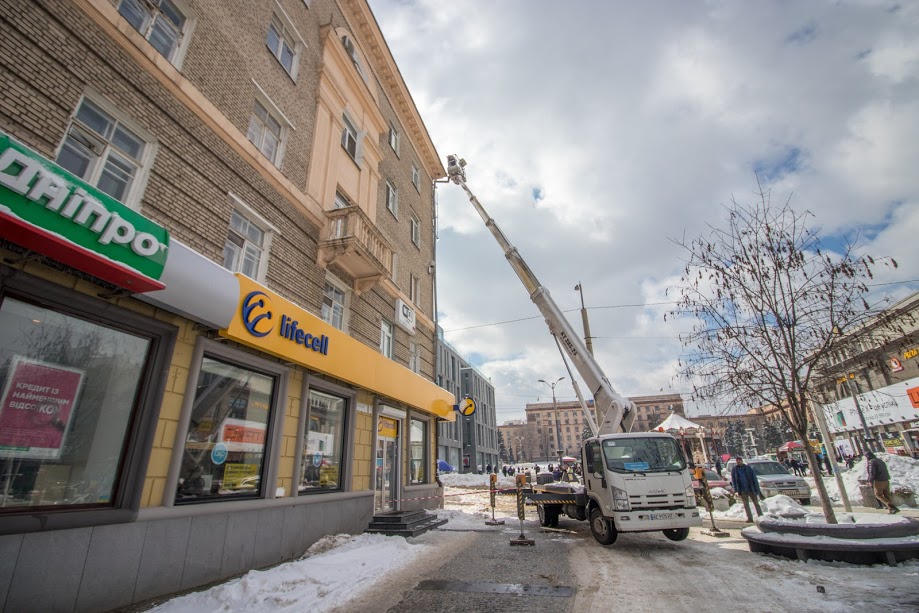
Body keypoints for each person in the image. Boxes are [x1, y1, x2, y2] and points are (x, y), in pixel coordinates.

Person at [730, 457, 764, 523]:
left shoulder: (748, 468)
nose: (738, 462)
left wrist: (756, 488)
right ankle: (750, 518)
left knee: (756, 503)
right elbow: (734, 480)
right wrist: (736, 489)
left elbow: (754, 478)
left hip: (750, 488)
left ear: (742, 461)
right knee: (746, 504)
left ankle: (761, 516)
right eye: (737, 461)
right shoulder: (735, 469)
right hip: (742, 489)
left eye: (739, 461)